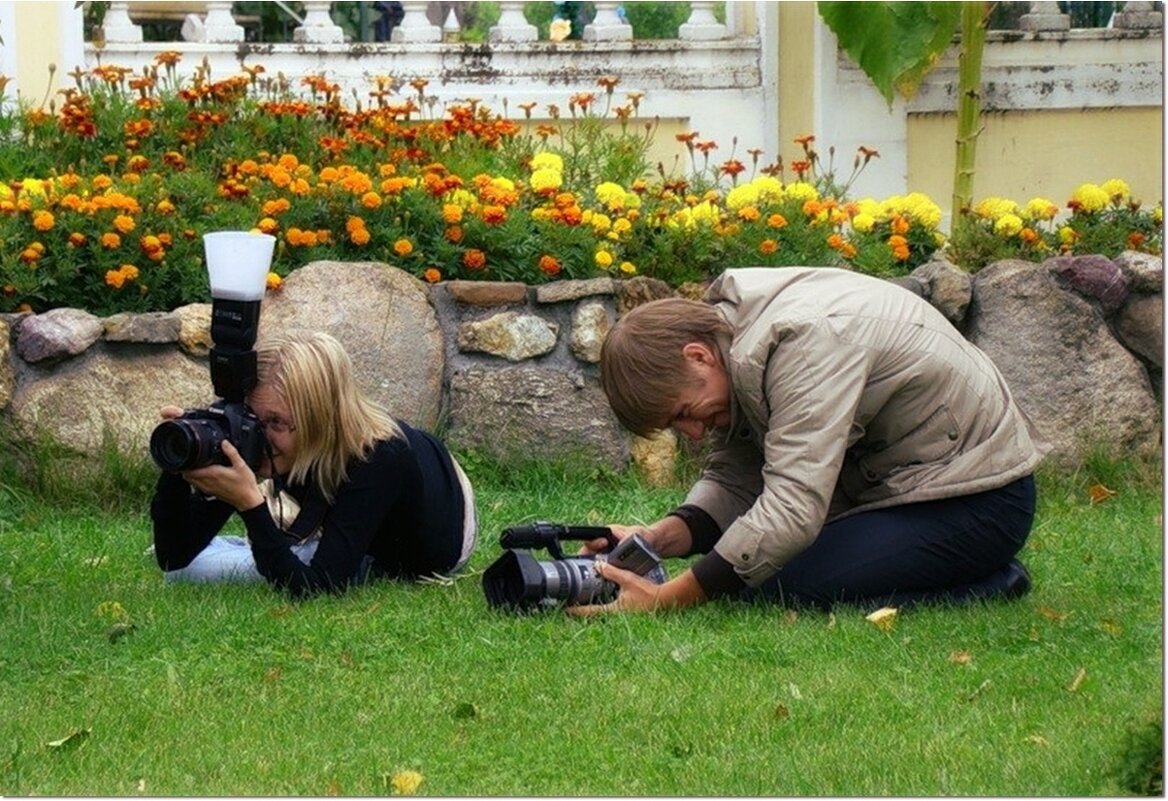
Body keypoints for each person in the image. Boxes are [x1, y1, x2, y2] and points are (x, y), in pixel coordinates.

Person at [572, 266, 1042, 617]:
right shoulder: (733, 337)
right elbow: (737, 477)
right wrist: (658, 537)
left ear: (697, 356)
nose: (694, 433)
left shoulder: (804, 344)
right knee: (759, 567)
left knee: (783, 582)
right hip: (912, 492)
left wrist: (667, 599)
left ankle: (991, 583)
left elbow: (792, 507)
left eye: (683, 414)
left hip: (979, 501)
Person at [150, 330, 477, 598]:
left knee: (213, 572)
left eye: (276, 422)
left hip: (444, 530)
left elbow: (317, 588)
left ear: (320, 420)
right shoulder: (264, 438)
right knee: (189, 571)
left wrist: (250, 505)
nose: (258, 437)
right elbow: (173, 557)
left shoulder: (378, 457)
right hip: (368, 487)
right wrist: (182, 464)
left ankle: (280, 543)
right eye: (251, 418)